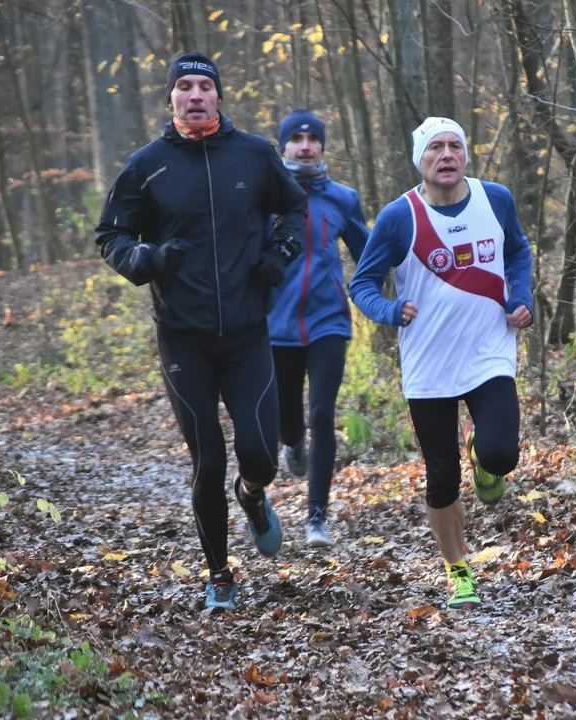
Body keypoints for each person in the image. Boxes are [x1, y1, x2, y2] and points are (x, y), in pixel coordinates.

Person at [95, 52, 308, 611]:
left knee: (259, 456)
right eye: (183, 86)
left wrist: (279, 252)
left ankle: (254, 495)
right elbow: (109, 234)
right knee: (208, 461)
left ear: (218, 96)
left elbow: (295, 209)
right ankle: (219, 575)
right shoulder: (147, 165)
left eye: (204, 86)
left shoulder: (256, 155)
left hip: (246, 332)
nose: (194, 95)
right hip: (182, 335)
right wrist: (145, 258)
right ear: (170, 99)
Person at [349, 117, 533, 610]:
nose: (446, 155)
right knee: (441, 475)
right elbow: (361, 283)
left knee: (502, 455)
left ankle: (482, 450)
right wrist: (389, 311)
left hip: (489, 351)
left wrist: (521, 295)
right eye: (435, 148)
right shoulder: (399, 217)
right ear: (420, 161)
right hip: (428, 363)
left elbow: (517, 250)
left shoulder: (495, 199)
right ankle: (458, 572)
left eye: (455, 146)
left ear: (466, 156)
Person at [268, 109, 369, 548]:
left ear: (322, 146)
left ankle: (316, 520)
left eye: (312, 138)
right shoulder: (264, 197)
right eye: (296, 139)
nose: (305, 145)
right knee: (287, 420)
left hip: (329, 320)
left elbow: (371, 252)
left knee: (322, 414)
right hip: (276, 324)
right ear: (284, 146)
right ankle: (292, 444)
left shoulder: (342, 198)